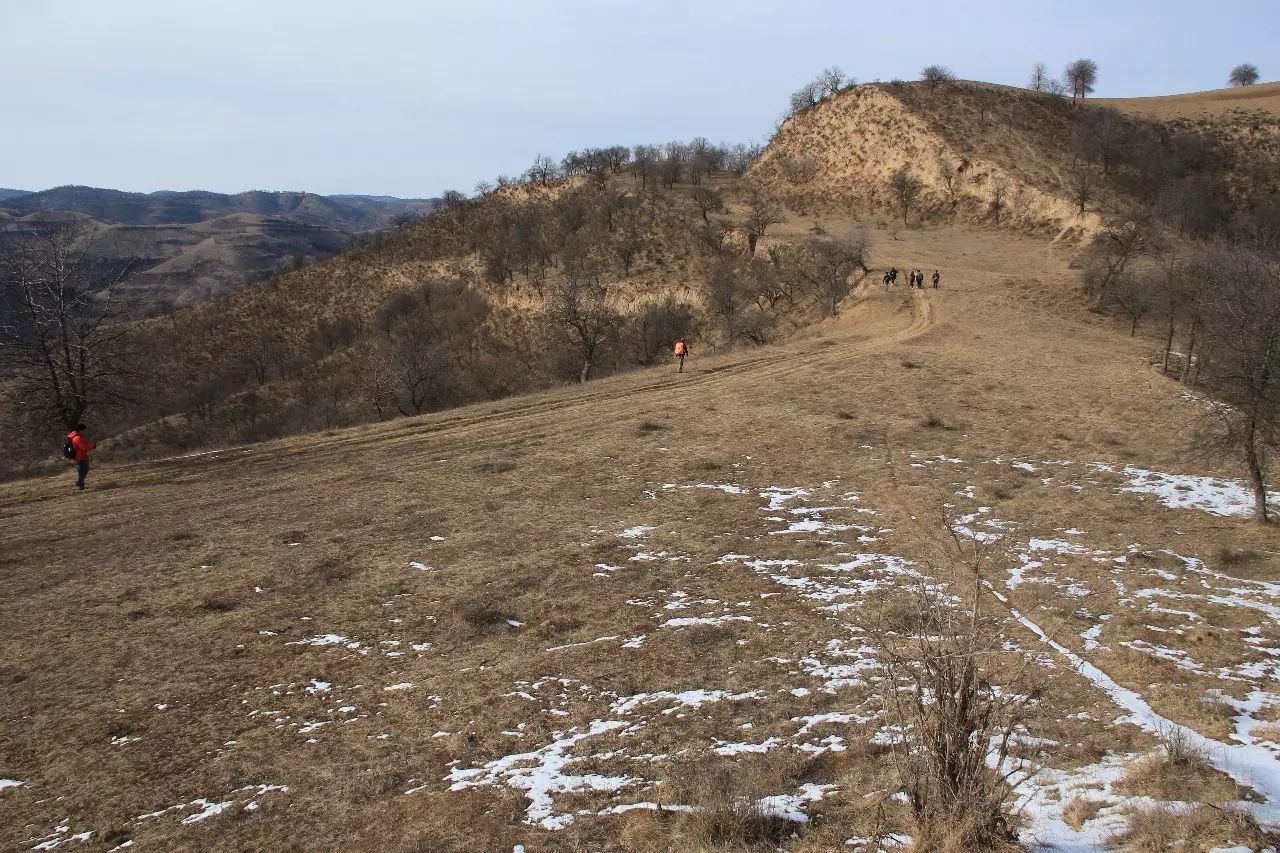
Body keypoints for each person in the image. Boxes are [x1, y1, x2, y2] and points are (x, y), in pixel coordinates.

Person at [67, 423, 96, 491]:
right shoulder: (77, 438)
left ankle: (80, 483)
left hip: (81, 456)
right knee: (82, 471)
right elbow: (83, 447)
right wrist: (93, 445)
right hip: (80, 457)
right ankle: (80, 485)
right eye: (84, 430)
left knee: (84, 470)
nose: (85, 432)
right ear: (80, 430)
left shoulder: (76, 436)